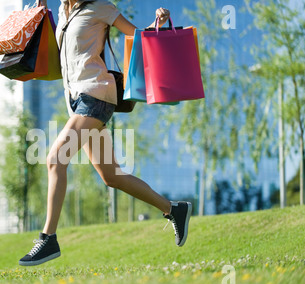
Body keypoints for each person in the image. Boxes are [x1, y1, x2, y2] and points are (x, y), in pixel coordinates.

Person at [19, 0, 192, 267]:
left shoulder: (99, 7)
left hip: (96, 94)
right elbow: (53, 57)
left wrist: (157, 23)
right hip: (76, 102)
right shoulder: (64, 12)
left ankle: (48, 238)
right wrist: (38, 15)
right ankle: (174, 209)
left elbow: (136, 35)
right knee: (112, 176)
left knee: (55, 158)